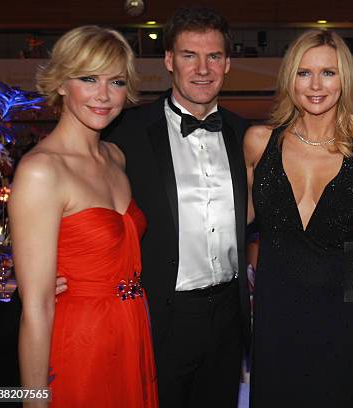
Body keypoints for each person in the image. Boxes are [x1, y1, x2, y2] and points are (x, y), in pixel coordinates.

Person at [102, 7, 250, 407]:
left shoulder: (246, 135)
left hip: (228, 318)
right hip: (160, 316)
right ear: (169, 61)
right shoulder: (126, 131)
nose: (203, 69)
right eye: (189, 55)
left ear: (228, 63)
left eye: (214, 56)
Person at [10, 26, 157, 407]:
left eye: (117, 81)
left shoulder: (115, 157)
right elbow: (38, 307)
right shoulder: (42, 171)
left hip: (130, 332)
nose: (104, 95)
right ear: (61, 83)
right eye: (88, 79)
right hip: (79, 343)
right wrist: (33, 398)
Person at [244, 29, 353, 406]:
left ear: (345, 80)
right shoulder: (259, 142)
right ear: (290, 79)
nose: (316, 84)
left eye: (329, 72)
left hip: (345, 322)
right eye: (304, 73)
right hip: (277, 321)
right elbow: (224, 224)